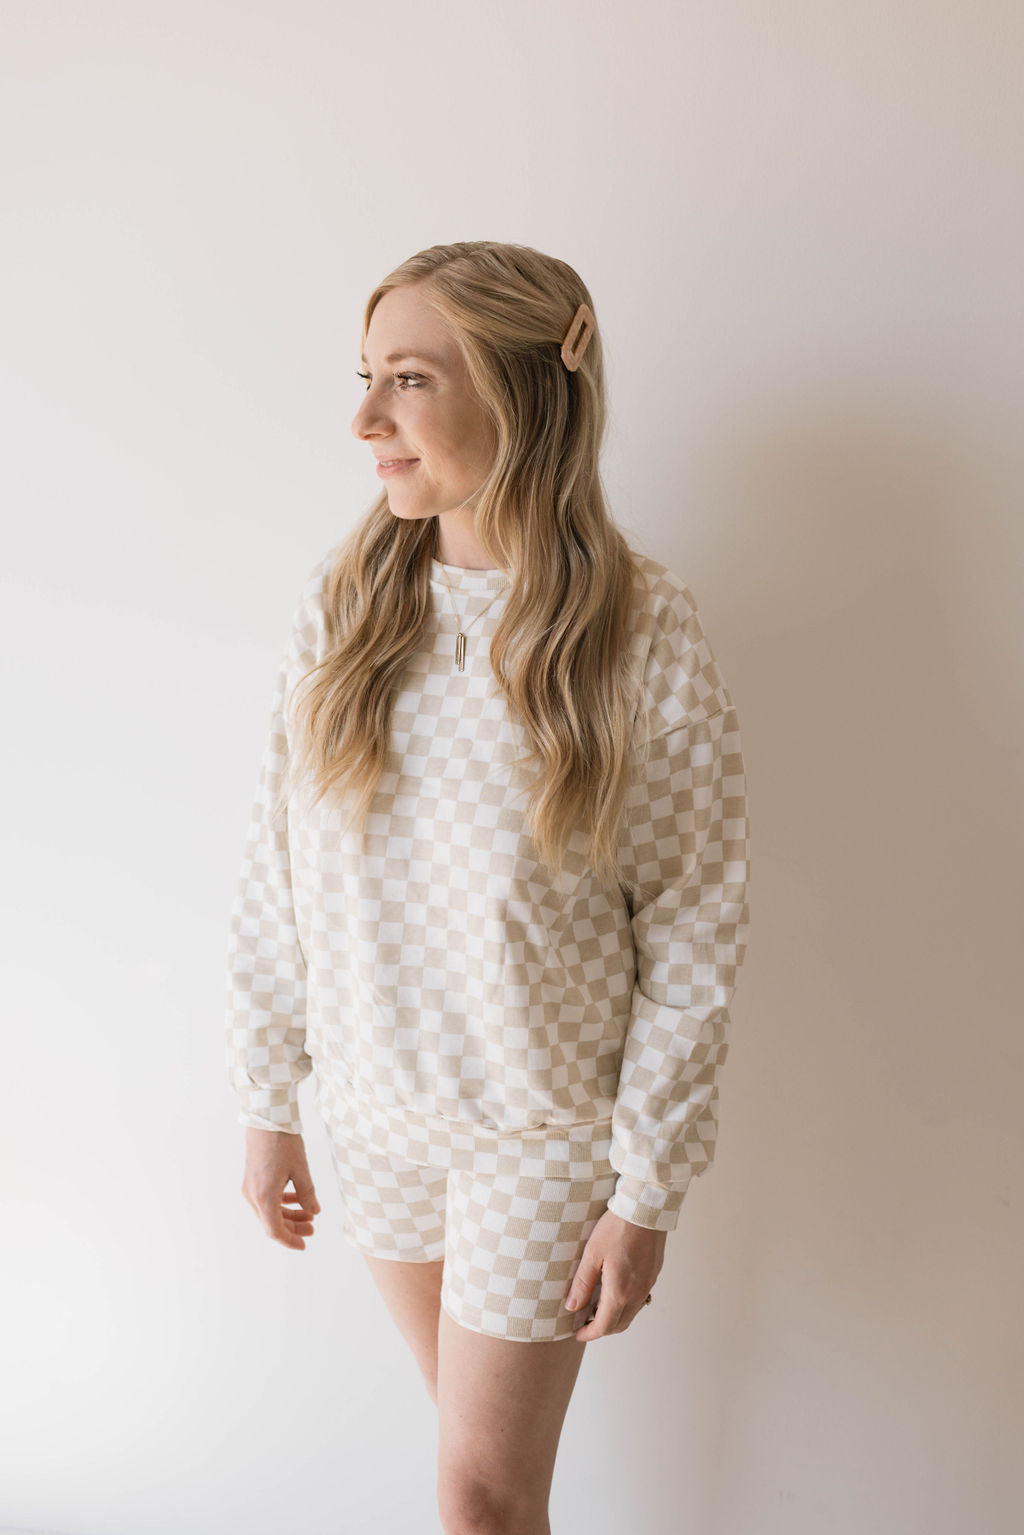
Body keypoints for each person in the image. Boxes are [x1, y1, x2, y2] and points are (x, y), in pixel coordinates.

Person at [224, 240, 750, 1533]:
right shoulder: (344, 609)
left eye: (406, 381)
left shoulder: (641, 628)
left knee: (479, 1496)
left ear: (522, 394)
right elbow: (273, 871)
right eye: (367, 378)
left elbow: (692, 922)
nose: (364, 420)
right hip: (376, 1120)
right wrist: (267, 1100)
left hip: (542, 1134)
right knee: (486, 1480)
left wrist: (645, 1188)